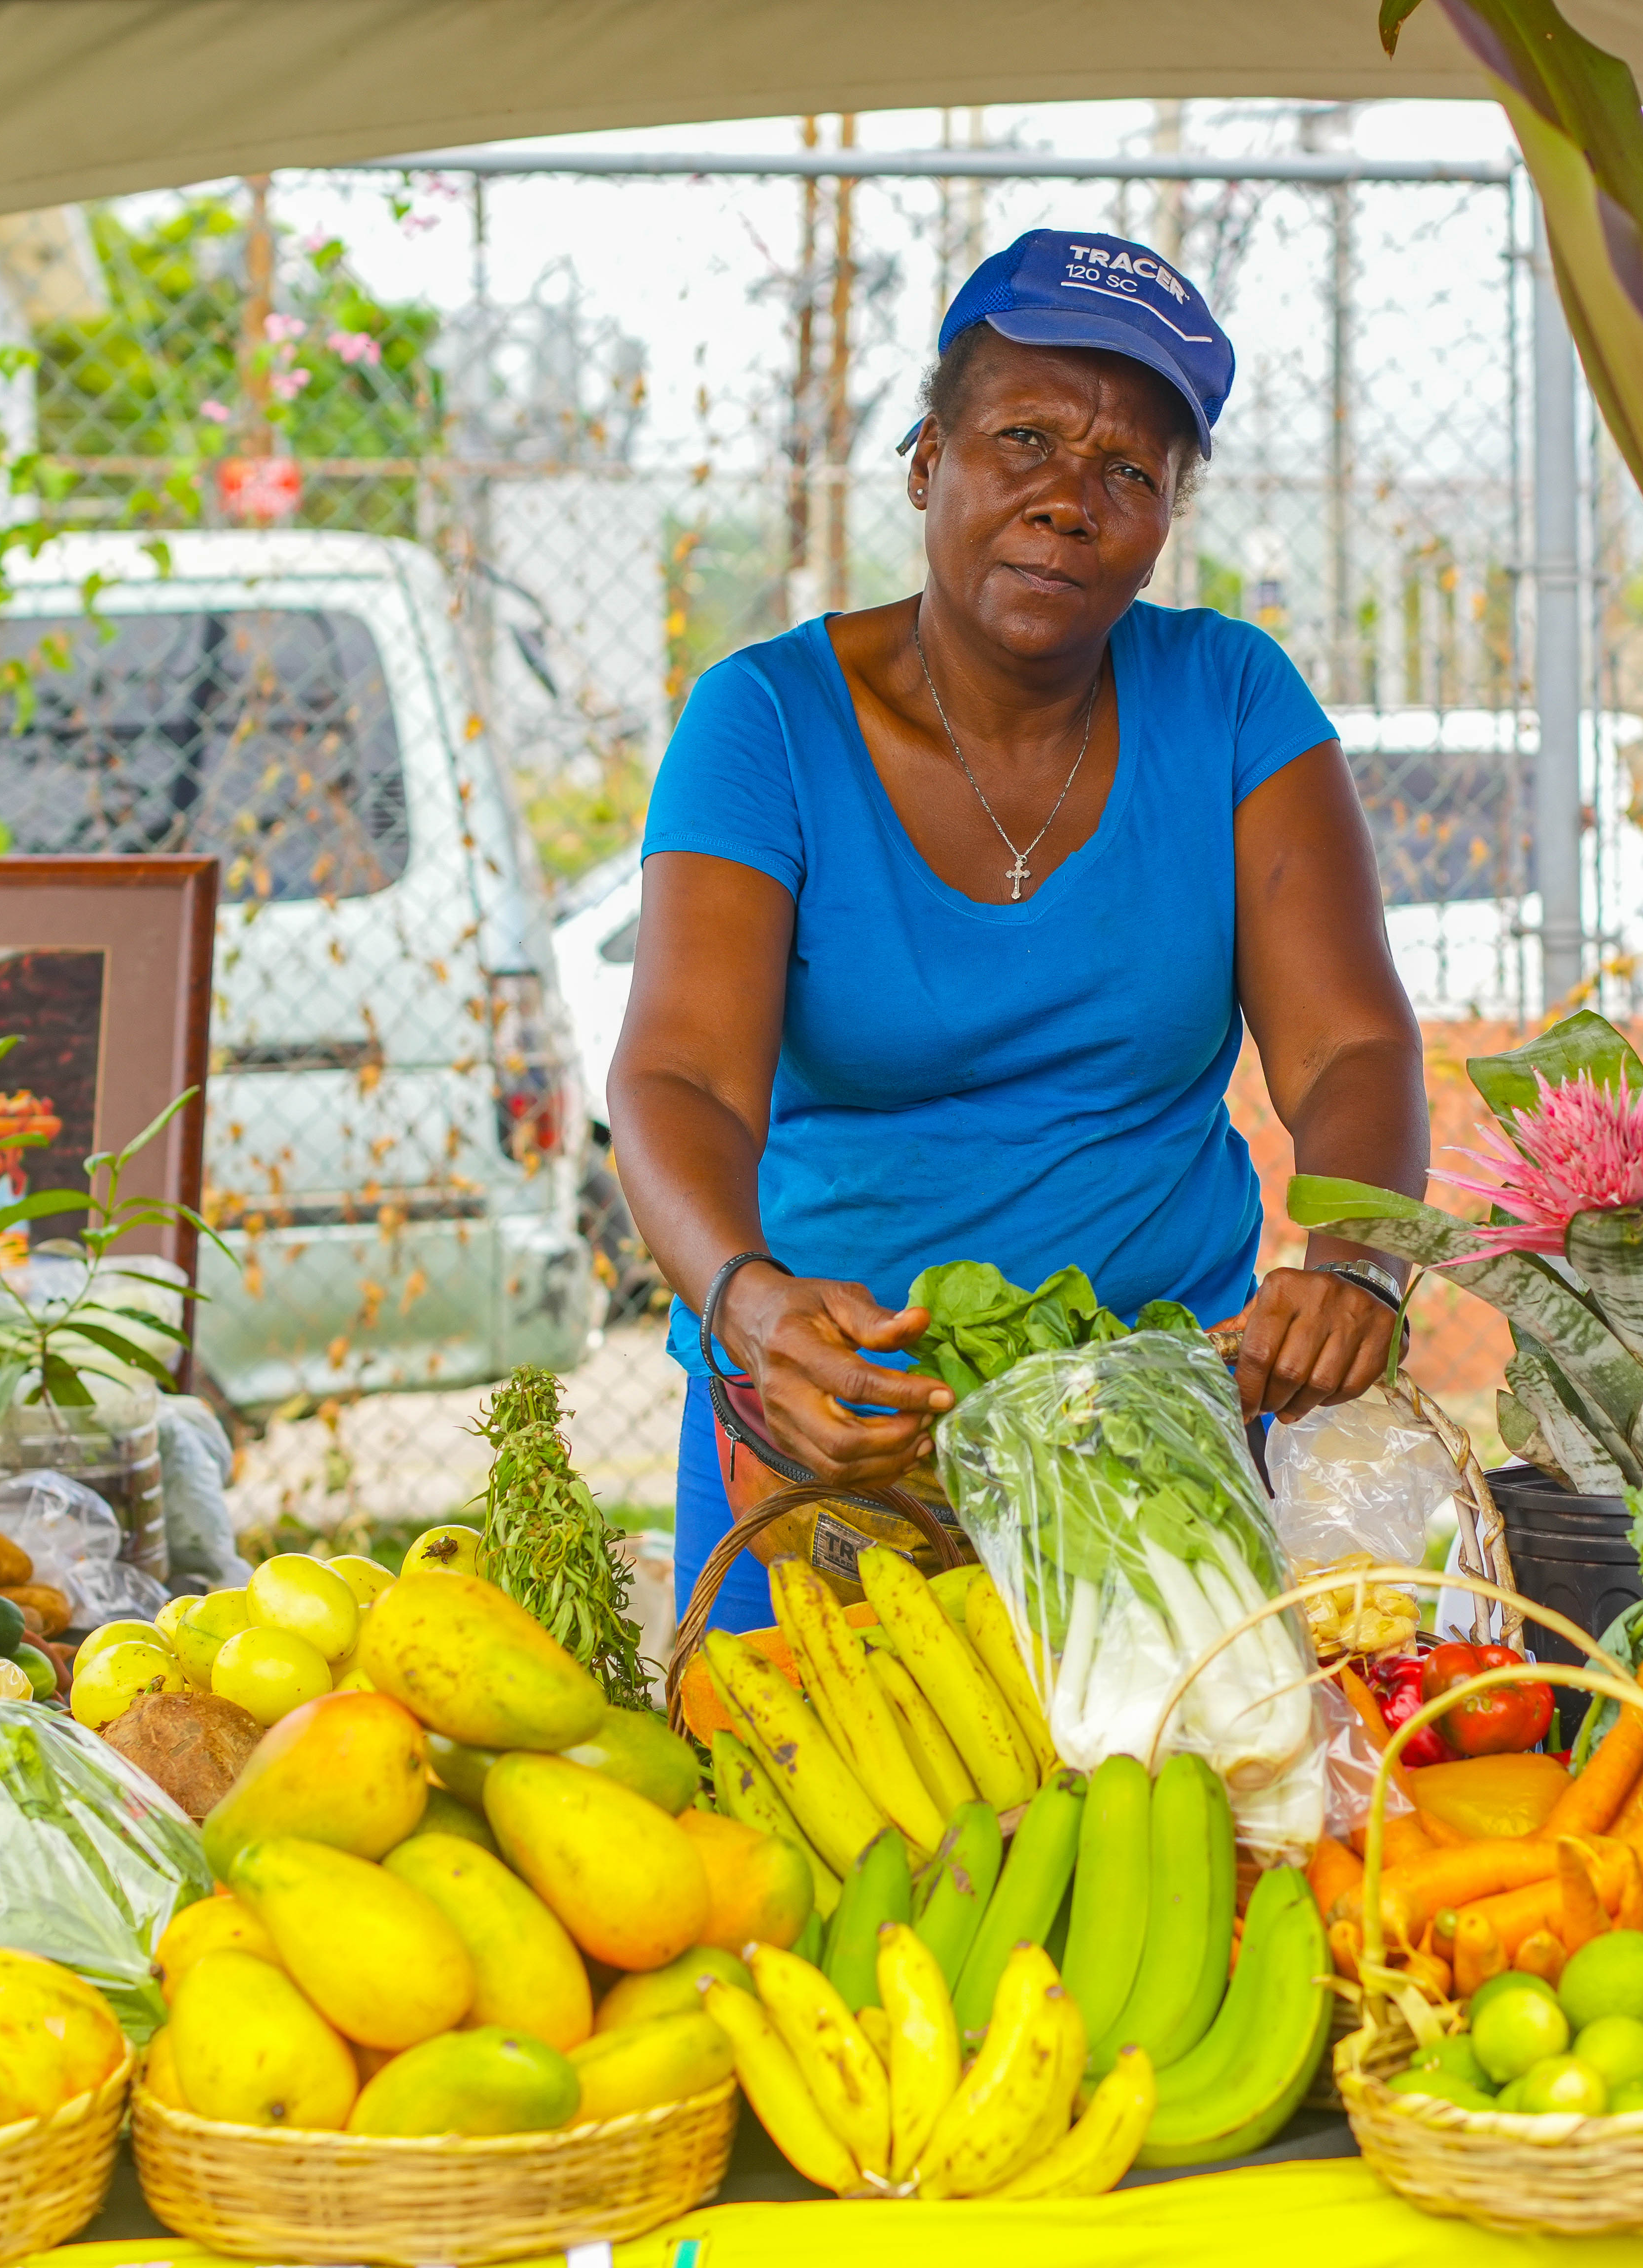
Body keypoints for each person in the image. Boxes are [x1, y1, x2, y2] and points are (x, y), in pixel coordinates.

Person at [610, 227, 1429, 1629]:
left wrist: (1352, 1264)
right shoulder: (766, 723)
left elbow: (1352, 1046)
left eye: (1128, 471)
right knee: (788, 1830)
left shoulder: (1233, 700)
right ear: (930, 461)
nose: (1069, 501)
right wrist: (751, 1307)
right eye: (1024, 439)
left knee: (1174, 1823)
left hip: (1154, 1435)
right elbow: (677, 1078)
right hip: (832, 1427)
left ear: (1167, 515)